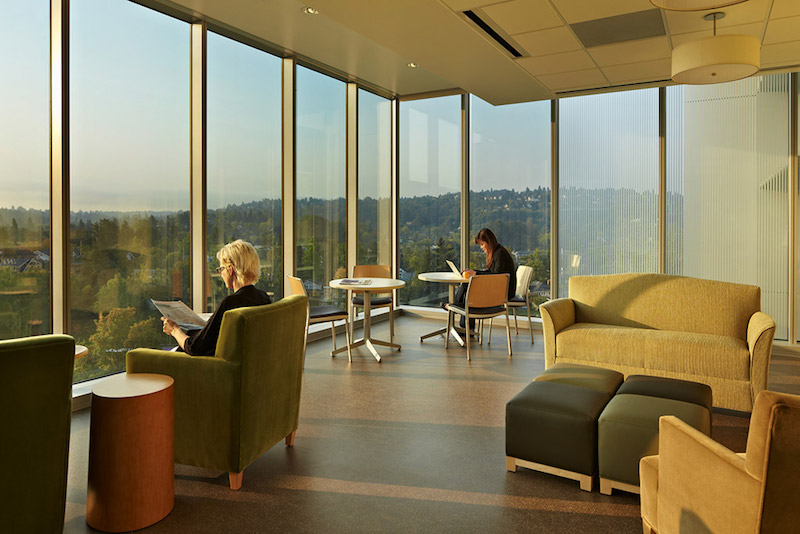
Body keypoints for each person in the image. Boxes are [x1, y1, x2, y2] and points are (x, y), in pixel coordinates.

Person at [161, 239, 272, 356]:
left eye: (221, 269)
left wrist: (174, 330)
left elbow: (194, 348)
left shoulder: (230, 303)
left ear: (230, 269)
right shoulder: (263, 298)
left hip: (213, 367)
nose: (221, 274)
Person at [450, 228, 516, 330]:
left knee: (468, 288)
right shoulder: (497, 253)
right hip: (501, 291)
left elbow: (496, 277)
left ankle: (454, 307)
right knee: (468, 287)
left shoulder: (500, 254)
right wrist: (473, 272)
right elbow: (491, 274)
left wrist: (475, 273)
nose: (481, 247)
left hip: (503, 293)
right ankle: (464, 323)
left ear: (489, 242)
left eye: (482, 244)